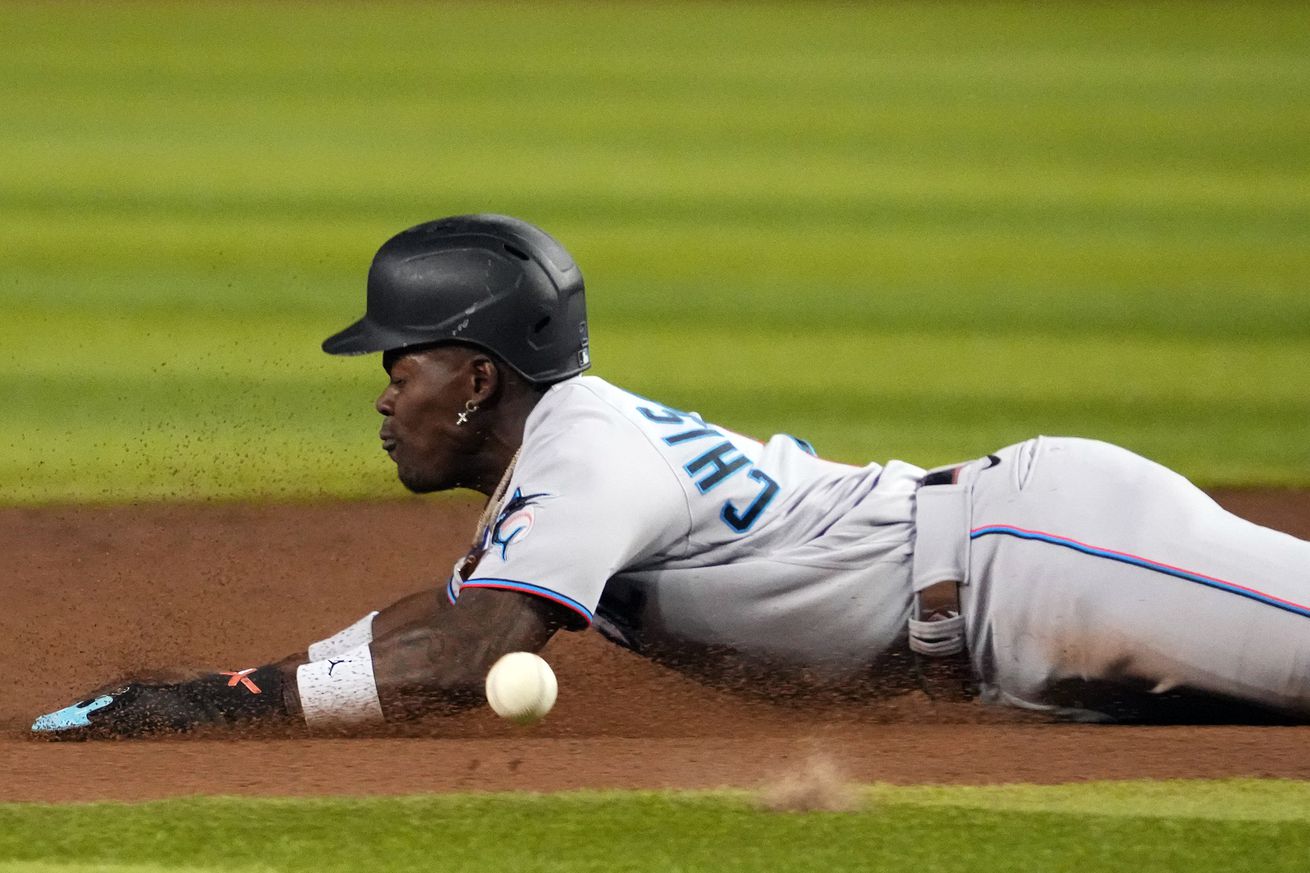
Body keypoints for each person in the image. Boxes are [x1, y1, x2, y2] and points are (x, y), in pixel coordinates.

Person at [31, 214, 1310, 738]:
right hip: (1013, 636)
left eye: (401, 364)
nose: (383, 392)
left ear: (475, 375)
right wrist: (229, 690)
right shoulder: (552, 465)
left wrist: (210, 705)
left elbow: (458, 660)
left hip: (1041, 558)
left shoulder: (583, 455)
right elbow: (439, 619)